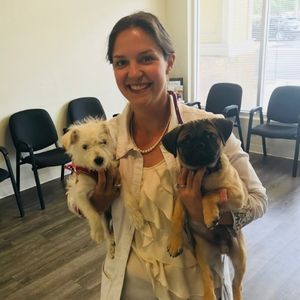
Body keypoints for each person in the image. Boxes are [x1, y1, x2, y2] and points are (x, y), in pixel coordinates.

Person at [68, 11, 267, 300]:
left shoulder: (206, 127)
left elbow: (259, 201)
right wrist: (97, 201)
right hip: (126, 286)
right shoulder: (105, 136)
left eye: (146, 58)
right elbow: (74, 196)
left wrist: (212, 215)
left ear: (169, 61)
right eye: (121, 62)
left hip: (196, 287)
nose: (133, 73)